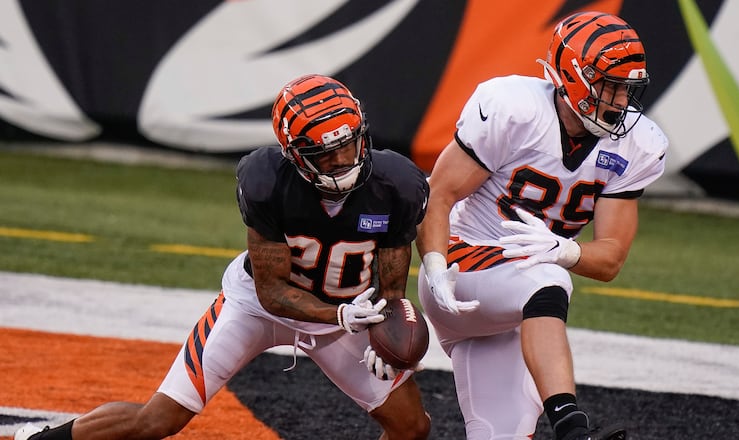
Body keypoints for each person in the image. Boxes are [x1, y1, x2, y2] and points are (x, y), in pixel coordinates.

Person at [17, 74, 432, 440]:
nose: (342, 161)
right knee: (157, 421)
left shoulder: (397, 184)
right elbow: (272, 292)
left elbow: (392, 282)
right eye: (325, 153)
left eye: (349, 144)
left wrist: (386, 329)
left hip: (348, 315)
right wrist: (339, 314)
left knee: (412, 428)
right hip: (256, 307)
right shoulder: (266, 182)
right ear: (292, 152)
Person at [416, 11, 666, 440]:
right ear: (572, 76)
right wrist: (436, 269)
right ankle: (571, 426)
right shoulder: (514, 108)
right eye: (610, 85)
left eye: (627, 88)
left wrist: (565, 249)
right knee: (548, 279)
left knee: (501, 435)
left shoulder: (638, 144)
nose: (620, 101)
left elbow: (609, 259)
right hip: (463, 265)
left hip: (520, 308)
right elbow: (437, 196)